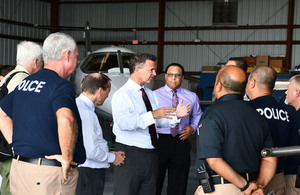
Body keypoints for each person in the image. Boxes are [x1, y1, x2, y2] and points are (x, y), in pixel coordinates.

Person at [0, 32, 86, 194]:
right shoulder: (60, 85)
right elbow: (66, 119)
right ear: (66, 55)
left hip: (21, 170)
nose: (77, 61)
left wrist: (14, 144)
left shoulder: (26, 82)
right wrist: (67, 158)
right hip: (47, 177)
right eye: (76, 56)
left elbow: (1, 113)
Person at [112, 53, 190, 195]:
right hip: (130, 154)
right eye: (151, 70)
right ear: (137, 70)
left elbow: (157, 122)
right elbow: (124, 123)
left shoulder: (149, 93)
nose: (154, 73)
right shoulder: (122, 95)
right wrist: (152, 115)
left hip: (152, 154)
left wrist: (176, 116)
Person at [195, 65, 277, 195]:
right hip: (254, 188)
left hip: (223, 188)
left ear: (219, 86)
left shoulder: (212, 114)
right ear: (244, 87)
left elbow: (214, 160)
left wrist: (245, 186)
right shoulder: (257, 115)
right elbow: (270, 158)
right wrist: (259, 185)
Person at [0, 41, 43, 195]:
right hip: (11, 146)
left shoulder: (9, 77)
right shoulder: (24, 81)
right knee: (12, 187)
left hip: (3, 144)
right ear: (36, 61)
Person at [154, 63, 202, 195]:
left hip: (181, 140)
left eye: (177, 75)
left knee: (178, 183)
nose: (173, 78)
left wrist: (192, 128)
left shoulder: (192, 96)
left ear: (182, 78)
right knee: (154, 180)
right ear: (165, 76)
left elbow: (198, 115)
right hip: (159, 141)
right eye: (170, 75)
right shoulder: (154, 96)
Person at [75, 73, 125, 195]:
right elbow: (90, 151)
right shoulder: (86, 113)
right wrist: (112, 158)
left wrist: (108, 152)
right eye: (107, 93)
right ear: (100, 91)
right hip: (89, 172)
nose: (106, 97)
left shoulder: (78, 105)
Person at [245, 66, 290, 195]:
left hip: (253, 182)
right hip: (278, 177)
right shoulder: (284, 112)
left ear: (252, 82)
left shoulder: (247, 110)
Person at [284, 74, 300, 195]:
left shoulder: (295, 118)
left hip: (294, 176)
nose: (285, 92)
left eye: (288, 89)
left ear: (297, 93)